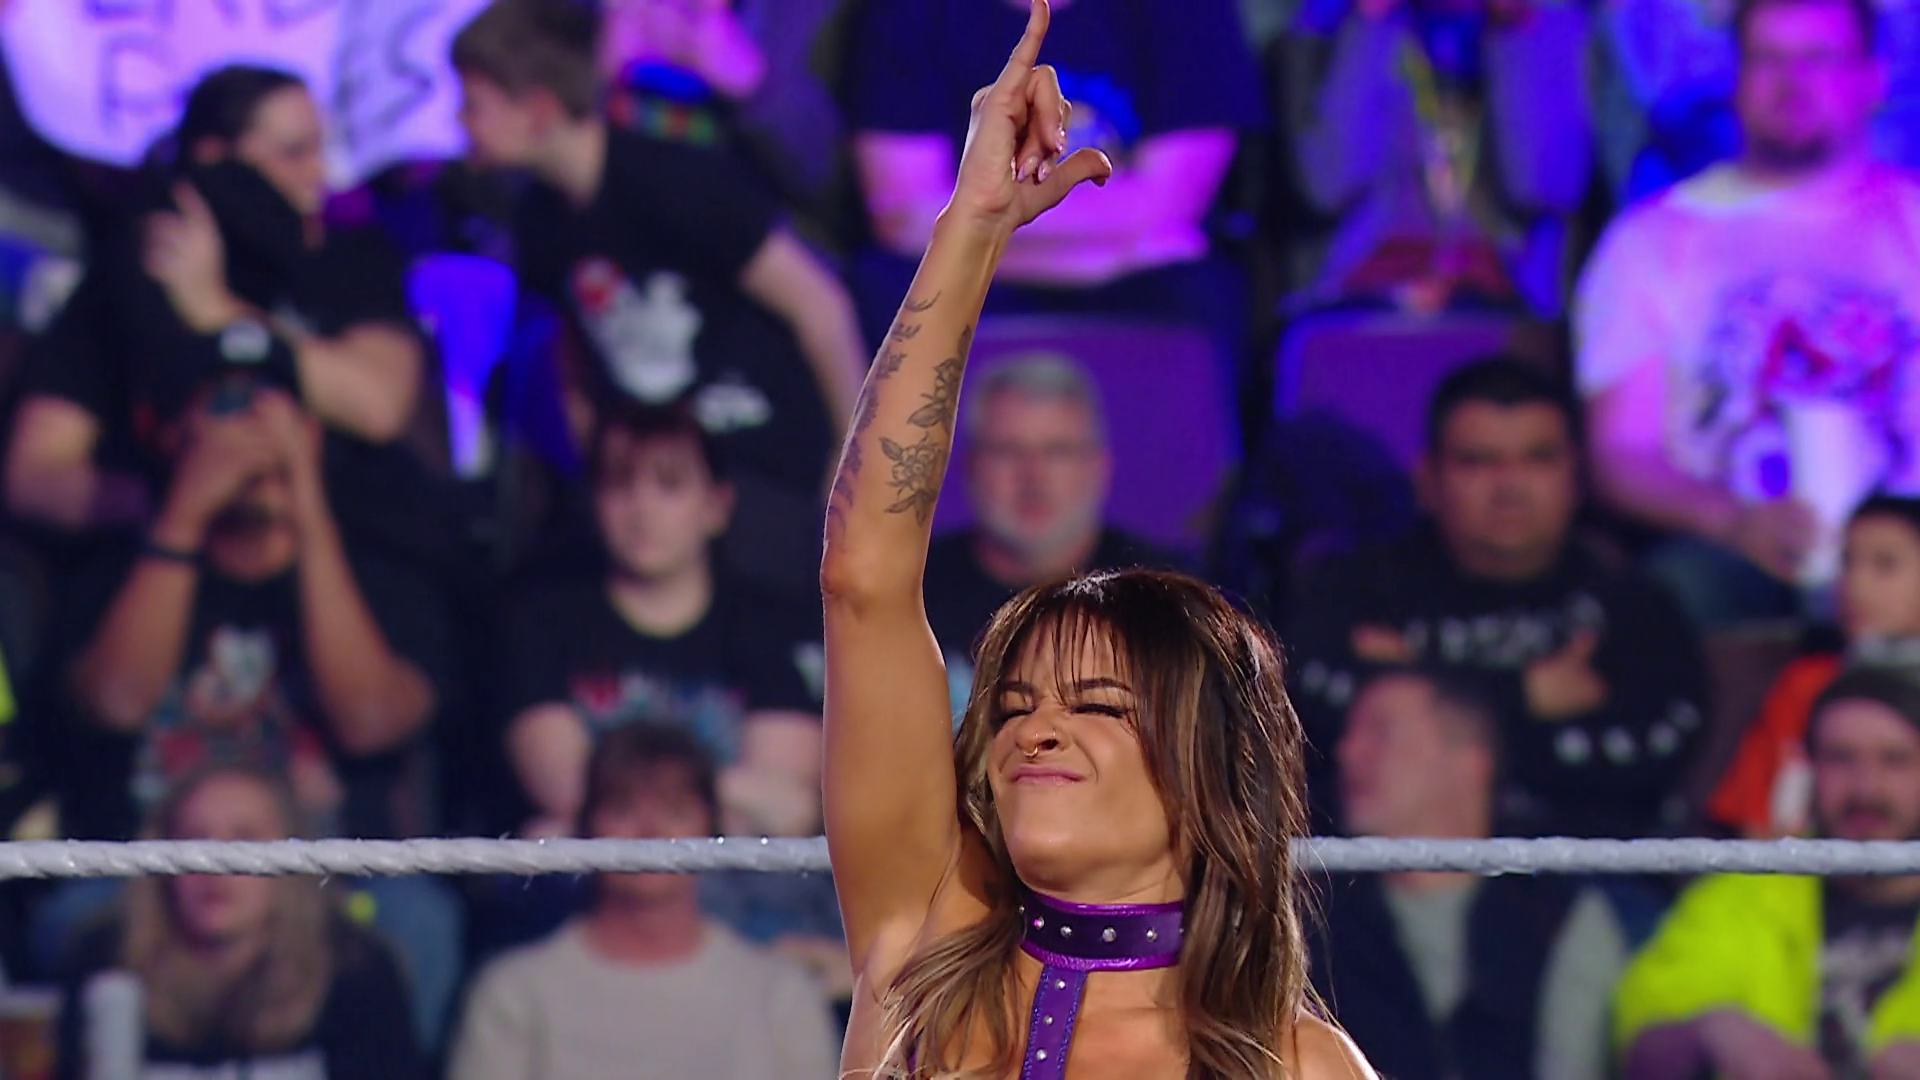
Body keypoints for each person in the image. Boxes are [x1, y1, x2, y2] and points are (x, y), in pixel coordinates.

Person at [817, 4, 1375, 1077]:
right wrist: (972, 227)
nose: (1036, 730)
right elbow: (863, 580)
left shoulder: (1296, 1061)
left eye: (1100, 705)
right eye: (1015, 705)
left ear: (1204, 763)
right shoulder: (924, 953)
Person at [34, 376, 461, 1049]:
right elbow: (114, 704)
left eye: (268, 425)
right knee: (74, 919)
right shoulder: (111, 574)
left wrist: (308, 506)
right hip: (152, 876)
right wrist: (182, 516)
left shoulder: (384, 576)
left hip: (336, 872)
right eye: (225, 422)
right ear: (173, 440)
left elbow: (372, 720)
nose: (247, 449)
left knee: (418, 922)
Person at [451, 0, 868, 597]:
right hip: (651, 484)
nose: (461, 122)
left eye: (475, 105)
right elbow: (573, 345)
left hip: (764, 465)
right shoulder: (540, 218)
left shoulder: (676, 181)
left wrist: (854, 462)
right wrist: (592, 452)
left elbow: (820, 306)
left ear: (539, 110)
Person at [1575, 0, 1920, 628]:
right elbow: (1621, 453)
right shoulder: (1650, 240)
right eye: (1768, 59)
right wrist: (1736, 522)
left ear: (1873, 76)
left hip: (1909, 542)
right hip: (1734, 547)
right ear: (1734, 75)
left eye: (1818, 58)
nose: (1792, 82)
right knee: (1674, 591)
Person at [4, 65, 430, 557]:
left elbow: (378, 407)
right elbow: (34, 475)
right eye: (294, 153)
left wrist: (219, 312)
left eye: (322, 149)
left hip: (348, 557)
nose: (319, 175)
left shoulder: (353, 260)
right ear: (214, 158)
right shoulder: (132, 274)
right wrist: (192, 502)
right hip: (174, 569)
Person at [1285, 357, 1708, 838]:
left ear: (1576, 477)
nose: (1510, 487)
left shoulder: (1635, 608)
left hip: (1584, 861)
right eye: (1478, 461)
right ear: (1428, 479)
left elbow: (1649, 761)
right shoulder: (1354, 591)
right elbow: (1307, 719)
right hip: (1382, 864)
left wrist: (1425, 696)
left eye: (1538, 458)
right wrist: (1523, 694)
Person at [449, 723, 839, 1080]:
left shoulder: (780, 995)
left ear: (712, 831)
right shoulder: (515, 994)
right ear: (587, 828)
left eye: (675, 810)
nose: (651, 831)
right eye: (623, 810)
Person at [1314, 668, 1627, 1080]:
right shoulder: (1314, 919)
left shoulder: (1560, 919)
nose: (1348, 751)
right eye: (1351, 733)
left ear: (1469, 762)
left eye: (1382, 733)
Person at [1617, 665, 1920, 1079]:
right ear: (1809, 770)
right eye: (1840, 759)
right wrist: (1712, 1030)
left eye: (1895, 760)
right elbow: (1642, 1043)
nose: (1866, 789)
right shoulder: (1742, 896)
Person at [54, 765, 424, 1080]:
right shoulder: (106, 961)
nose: (217, 865)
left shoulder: (355, 970)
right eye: (194, 839)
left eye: (245, 840)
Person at [926, 351, 1177, 714]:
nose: (1034, 477)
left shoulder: (1163, 599)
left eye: (1058, 451)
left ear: (1099, 467)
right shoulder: (910, 594)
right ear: (970, 467)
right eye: (1008, 451)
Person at [1711, 495, 1920, 837]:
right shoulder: (1806, 684)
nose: (1854, 586)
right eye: (1846, 562)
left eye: (1885, 565)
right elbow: (1759, 827)